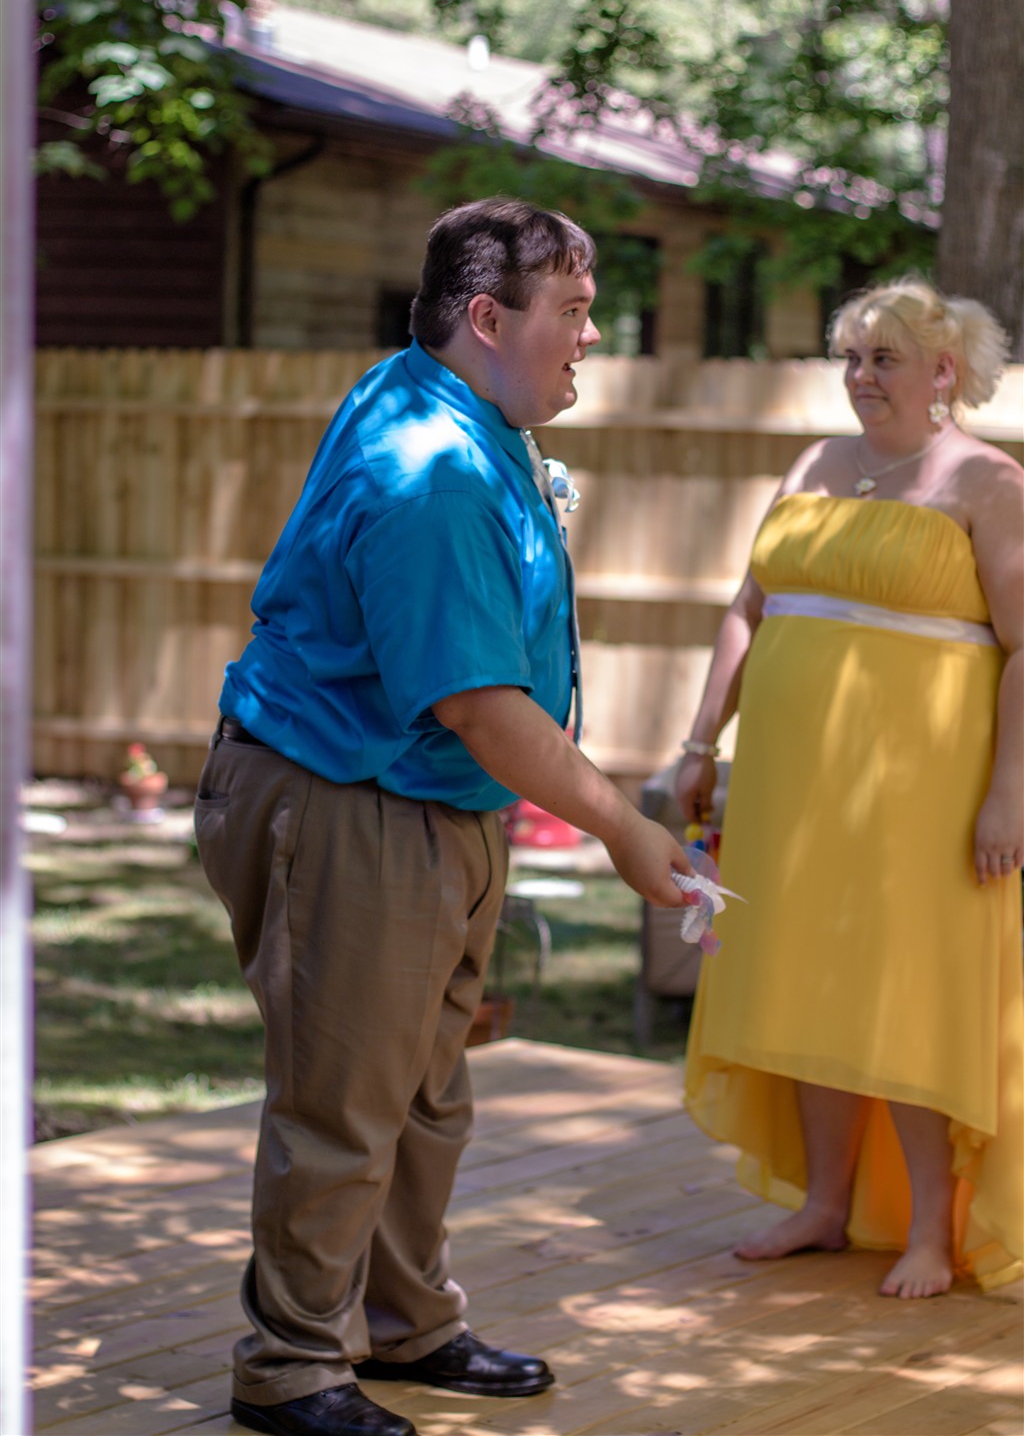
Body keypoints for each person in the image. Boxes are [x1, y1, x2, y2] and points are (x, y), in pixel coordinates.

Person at [195, 196, 691, 1436]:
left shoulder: (459, 406)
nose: (591, 336)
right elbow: (478, 705)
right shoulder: (431, 469)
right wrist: (625, 828)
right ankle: (292, 1367)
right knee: (343, 1105)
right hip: (345, 798)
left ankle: (404, 1322)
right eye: (572, 310)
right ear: (487, 318)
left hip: (426, 803)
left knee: (422, 1096)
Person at [676, 277, 1023, 1301]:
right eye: (852, 358)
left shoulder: (986, 481)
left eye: (883, 359)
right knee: (804, 977)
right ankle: (824, 1204)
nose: (860, 377)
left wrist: (1009, 791)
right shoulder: (815, 464)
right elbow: (747, 609)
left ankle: (930, 1229)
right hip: (791, 783)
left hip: (923, 790)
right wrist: (700, 741)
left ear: (942, 371)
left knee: (904, 988)